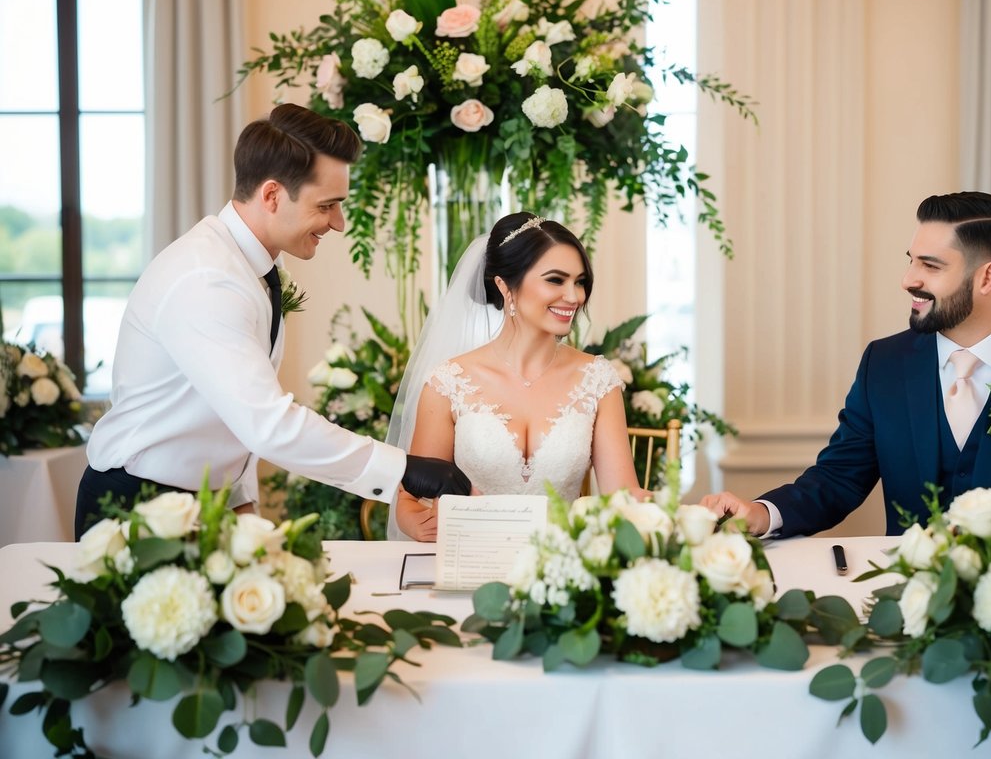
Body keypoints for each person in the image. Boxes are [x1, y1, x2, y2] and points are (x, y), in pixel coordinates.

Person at [76, 104, 469, 539]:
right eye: (328, 206)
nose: (338, 224)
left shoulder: (248, 265)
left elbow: (229, 412)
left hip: (200, 502)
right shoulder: (207, 278)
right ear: (272, 195)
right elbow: (268, 423)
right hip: (136, 508)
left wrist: (242, 507)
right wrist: (403, 468)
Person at [702, 191, 991, 537]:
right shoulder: (883, 364)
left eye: (930, 266)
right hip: (902, 605)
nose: (908, 279)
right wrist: (759, 513)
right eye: (912, 259)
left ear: (988, 277)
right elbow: (837, 480)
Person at [389, 211, 644, 540]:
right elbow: (411, 497)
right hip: (474, 565)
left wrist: (698, 513)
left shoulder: (597, 380)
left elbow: (623, 499)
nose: (574, 296)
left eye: (579, 282)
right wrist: (413, 519)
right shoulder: (449, 383)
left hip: (560, 569)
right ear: (505, 286)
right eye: (556, 280)